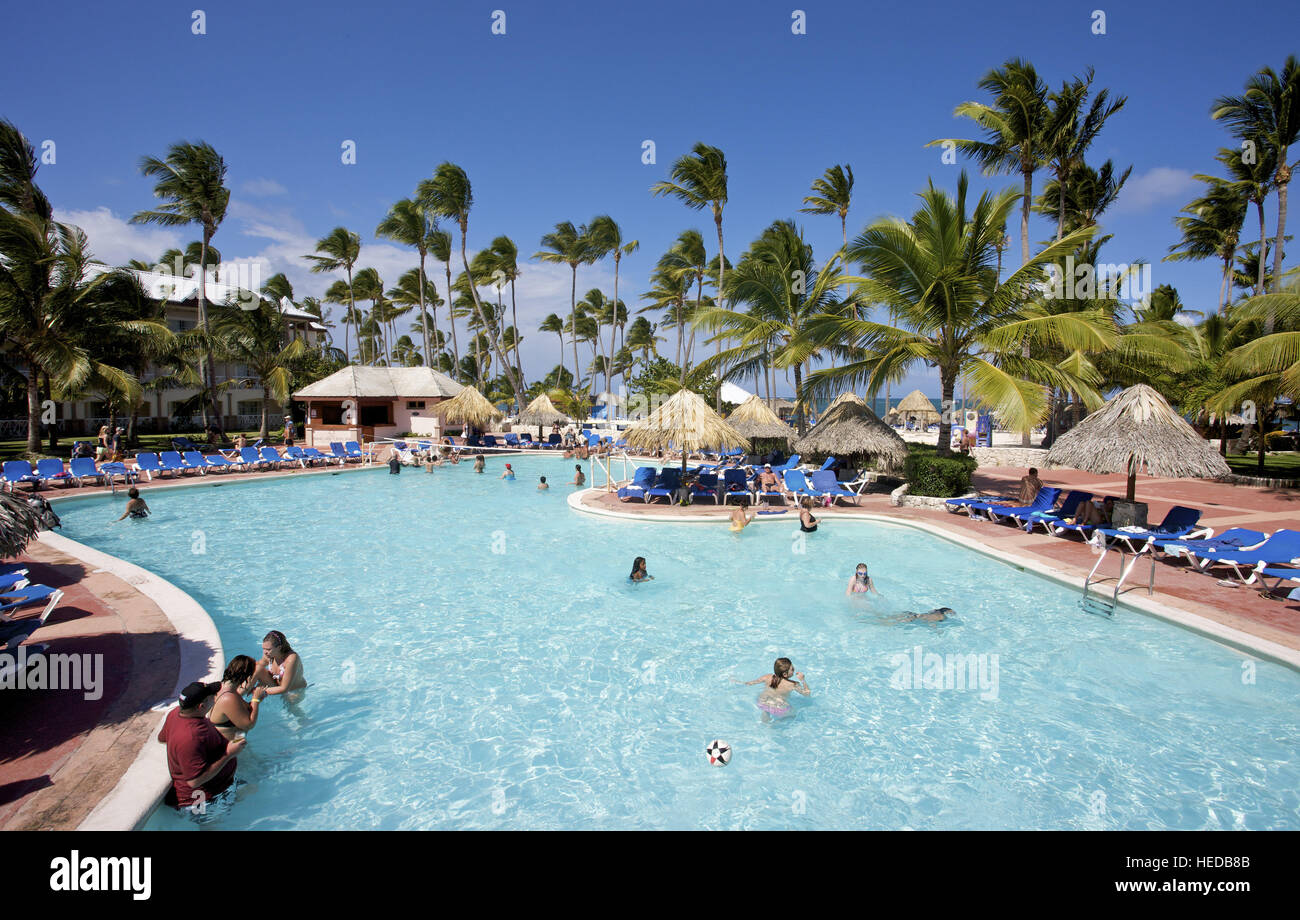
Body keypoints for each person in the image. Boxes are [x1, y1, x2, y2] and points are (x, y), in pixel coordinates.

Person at [156, 681, 245, 809]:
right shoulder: (189, 738)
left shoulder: (176, 713)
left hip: (221, 786)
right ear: (201, 706)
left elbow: (162, 738)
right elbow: (194, 782)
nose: (215, 698)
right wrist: (228, 753)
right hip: (203, 801)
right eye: (212, 697)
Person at [209, 656, 268, 742]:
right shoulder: (228, 697)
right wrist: (255, 700)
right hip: (226, 749)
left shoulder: (226, 689)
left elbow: (237, 712)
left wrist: (256, 699)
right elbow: (248, 725)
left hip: (234, 744)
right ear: (247, 676)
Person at [738, 658, 810, 721]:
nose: (794, 671)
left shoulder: (768, 676)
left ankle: (766, 713)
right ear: (785, 674)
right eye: (792, 669)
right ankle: (775, 724)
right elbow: (807, 694)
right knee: (794, 715)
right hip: (779, 708)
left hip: (762, 702)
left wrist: (738, 682)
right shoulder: (794, 684)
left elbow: (751, 683)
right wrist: (803, 680)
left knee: (768, 706)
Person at [252, 630, 307, 695]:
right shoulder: (269, 655)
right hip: (276, 686)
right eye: (263, 648)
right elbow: (256, 665)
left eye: (268, 649)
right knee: (257, 669)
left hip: (293, 691)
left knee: (291, 700)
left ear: (279, 648)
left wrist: (257, 691)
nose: (265, 652)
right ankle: (240, 693)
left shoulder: (291, 659)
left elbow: (284, 688)